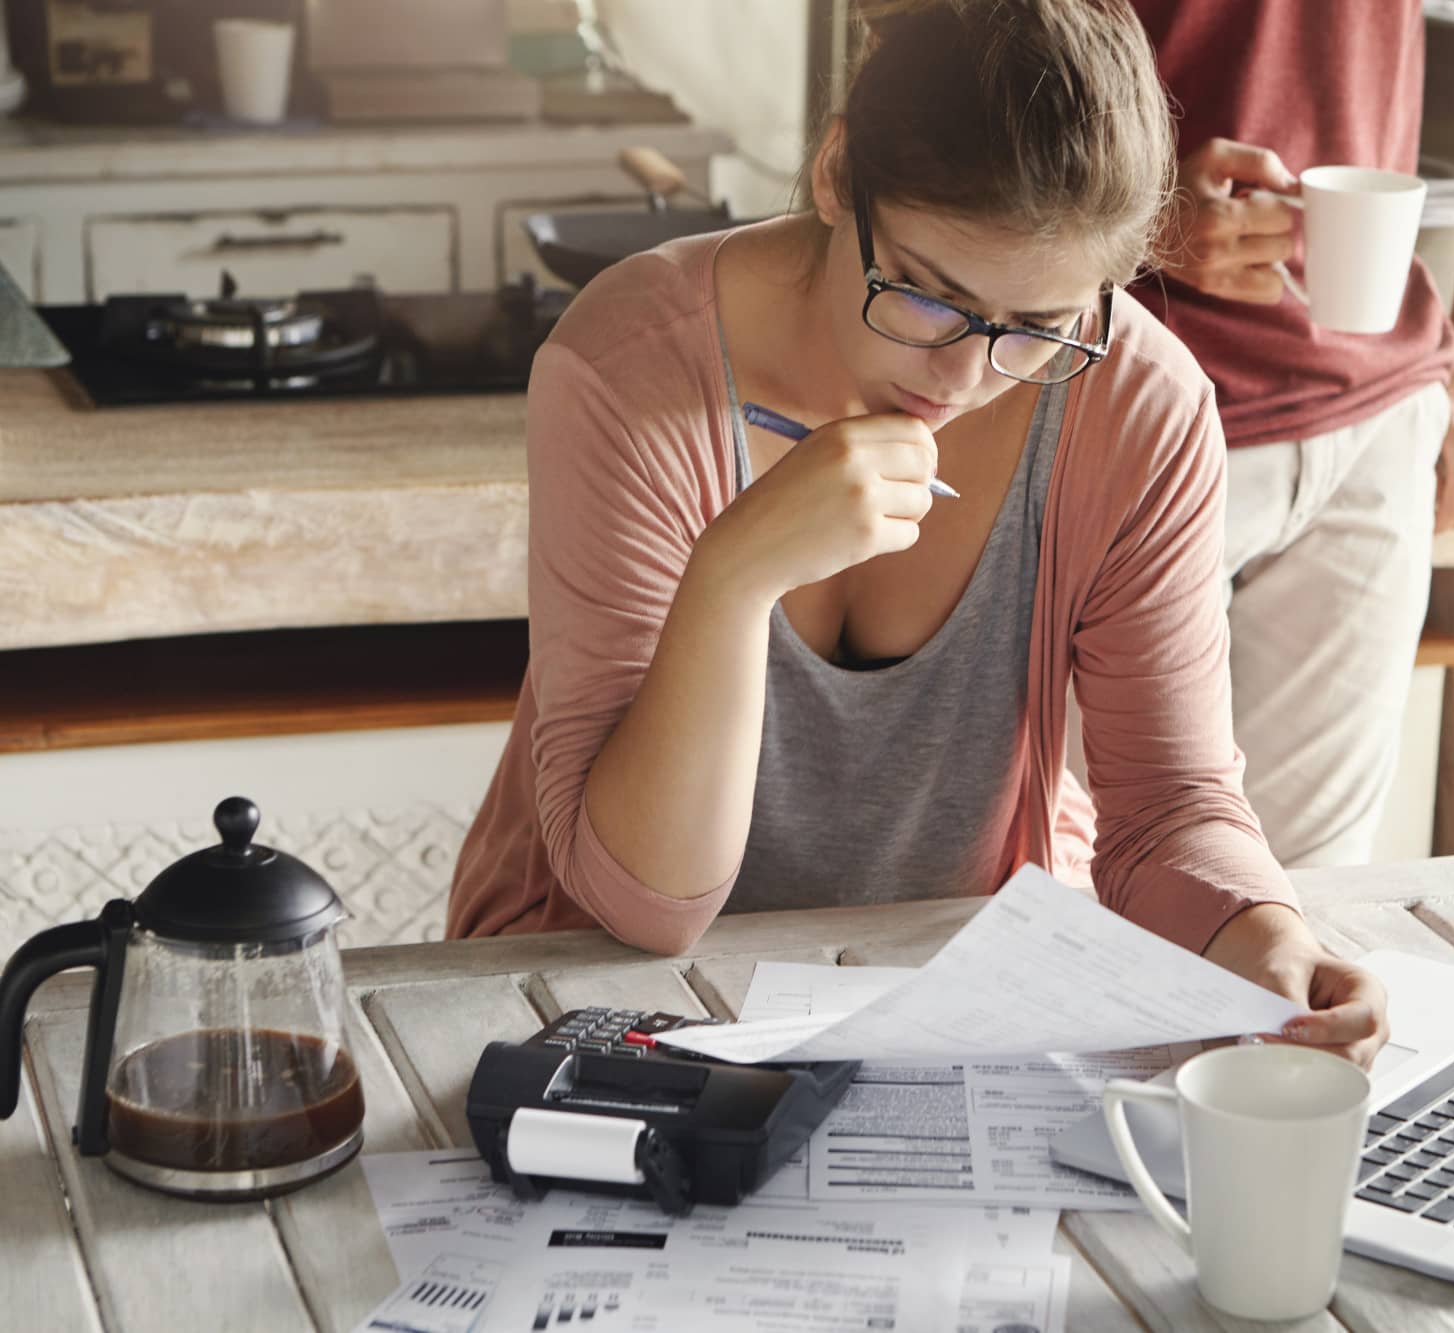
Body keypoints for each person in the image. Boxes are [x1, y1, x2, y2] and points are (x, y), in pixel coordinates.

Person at [448, 0, 1389, 1067]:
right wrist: (733, 574)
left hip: (947, 999)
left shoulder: (1136, 406)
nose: (963, 375)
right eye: (929, 295)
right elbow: (643, 902)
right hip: (587, 989)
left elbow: (1168, 806)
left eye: (1037, 328)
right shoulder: (626, 367)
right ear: (837, 173)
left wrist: (1266, 943)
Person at [1125, 0, 1454, 866]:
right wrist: (1138, 212)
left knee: (1312, 921)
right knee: (1105, 887)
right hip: (1131, 417)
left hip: (1371, 436)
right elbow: (955, 74)